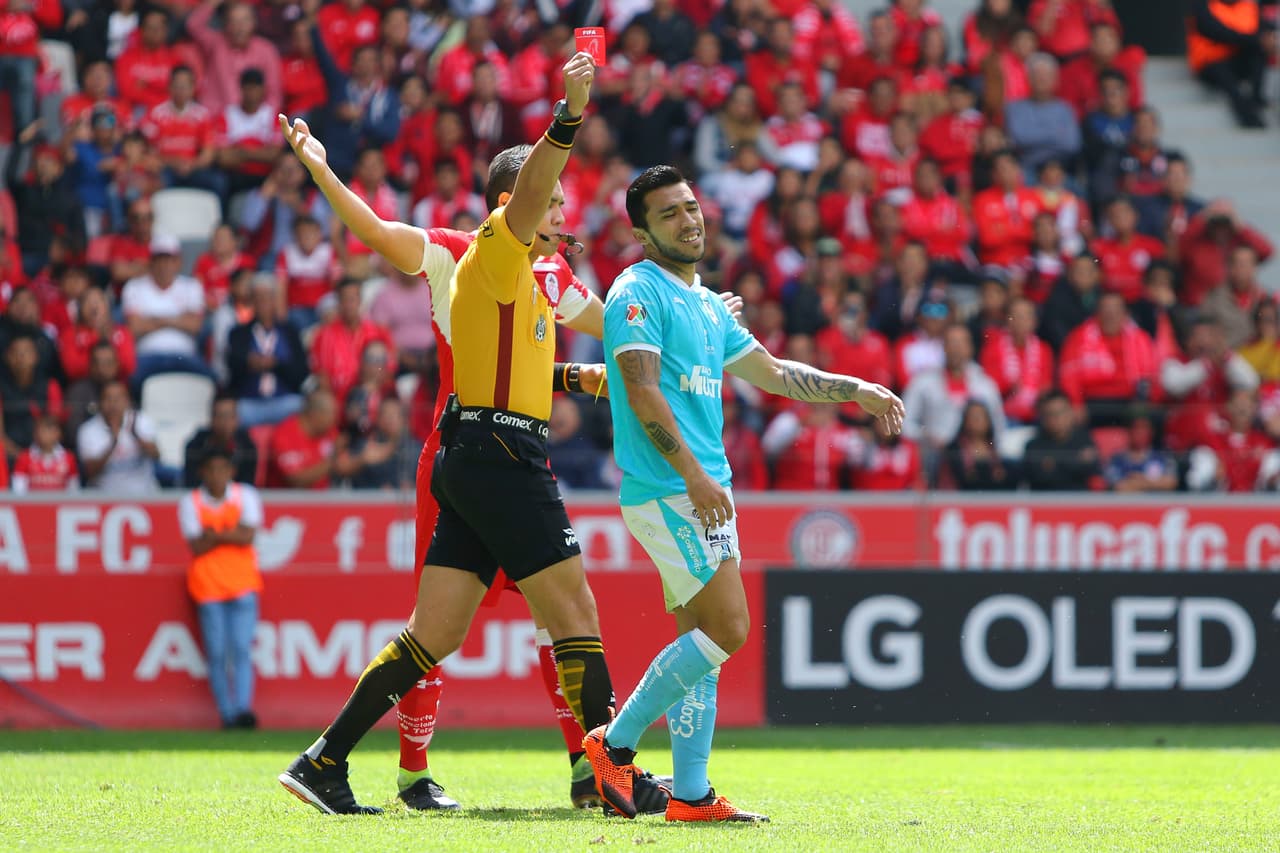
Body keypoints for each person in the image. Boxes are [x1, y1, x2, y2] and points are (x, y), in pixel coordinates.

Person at [276, 53, 632, 816]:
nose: (567, 214)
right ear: (517, 201)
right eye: (556, 200)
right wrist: (320, 170)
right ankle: (591, 770)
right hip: (487, 449)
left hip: (479, 450)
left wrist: (609, 361)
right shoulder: (472, 249)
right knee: (571, 612)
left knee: (436, 629)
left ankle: (325, 759)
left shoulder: (547, 274)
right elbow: (374, 230)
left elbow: (577, 344)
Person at [584, 165, 903, 823]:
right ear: (640, 229)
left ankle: (693, 794)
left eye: (691, 206)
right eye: (668, 213)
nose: (688, 219)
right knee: (728, 627)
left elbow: (776, 372)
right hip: (670, 487)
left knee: (703, 641)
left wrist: (854, 388)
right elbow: (641, 390)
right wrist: (696, 478)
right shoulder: (635, 292)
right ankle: (612, 745)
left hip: (704, 488)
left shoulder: (703, 302)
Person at [178, 447, 264, 729]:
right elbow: (197, 544)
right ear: (203, 472)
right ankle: (228, 714)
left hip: (242, 583)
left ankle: (242, 710)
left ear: (231, 472)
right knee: (216, 652)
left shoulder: (245, 495)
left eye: (222, 469)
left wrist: (214, 535)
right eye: (212, 470)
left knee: (240, 649)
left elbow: (247, 537)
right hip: (208, 587)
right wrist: (232, 533)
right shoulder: (190, 502)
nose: (217, 476)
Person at [1187, 0, 1268, 128]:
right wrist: (1252, 39)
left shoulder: (1249, 6)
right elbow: (1213, 30)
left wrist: (1259, 40)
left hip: (1237, 61)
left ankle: (1257, 98)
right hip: (1210, 63)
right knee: (1224, 74)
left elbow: (1262, 32)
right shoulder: (1202, 4)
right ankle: (1246, 113)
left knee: (1258, 51)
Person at [78, 380, 161, 494]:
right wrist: (113, 443)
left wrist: (136, 435)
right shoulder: (88, 430)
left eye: (118, 399)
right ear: (100, 403)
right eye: (108, 399)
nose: (113, 404)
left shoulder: (142, 421)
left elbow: (156, 456)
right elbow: (90, 472)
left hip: (143, 496)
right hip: (103, 499)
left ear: (127, 401)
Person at [1023, 389, 1101, 491]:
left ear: (1071, 412)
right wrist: (1076, 461)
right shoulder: (1033, 446)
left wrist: (1053, 465)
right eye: (1051, 414)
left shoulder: (1085, 440)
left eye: (1061, 412)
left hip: (1078, 502)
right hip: (1045, 503)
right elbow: (1040, 477)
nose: (1057, 418)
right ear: (1043, 417)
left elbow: (1092, 471)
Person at [183, 393, 259, 487]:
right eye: (221, 416)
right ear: (211, 419)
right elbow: (191, 485)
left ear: (237, 419)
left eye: (230, 416)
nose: (225, 422)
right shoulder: (195, 446)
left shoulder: (247, 447)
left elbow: (246, 487)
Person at [11, 415, 78, 492]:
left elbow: (74, 490)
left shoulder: (69, 458)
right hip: (32, 503)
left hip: (61, 503)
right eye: (42, 430)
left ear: (59, 433)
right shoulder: (24, 457)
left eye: (49, 430)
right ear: (35, 433)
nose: (45, 435)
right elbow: (18, 490)